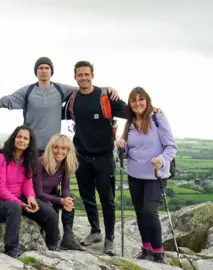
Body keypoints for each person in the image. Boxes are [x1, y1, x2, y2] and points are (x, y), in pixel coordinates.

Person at [61, 60, 130, 256]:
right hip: (81, 156)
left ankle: (109, 239)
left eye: (86, 74)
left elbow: (131, 112)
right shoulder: (73, 98)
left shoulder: (106, 97)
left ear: (92, 75)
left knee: (107, 200)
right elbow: (56, 112)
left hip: (104, 157)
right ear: (75, 77)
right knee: (88, 197)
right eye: (79, 75)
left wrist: (153, 110)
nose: (83, 77)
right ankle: (95, 231)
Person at [0, 57, 121, 154]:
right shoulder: (27, 91)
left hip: (52, 149)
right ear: (36, 71)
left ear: (51, 71)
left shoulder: (60, 89)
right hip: (30, 148)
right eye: (40, 68)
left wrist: (107, 89)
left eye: (47, 68)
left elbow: (84, 87)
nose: (44, 71)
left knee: (50, 187)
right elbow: (4, 101)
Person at [115, 87, 177, 264]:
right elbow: (128, 151)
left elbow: (171, 147)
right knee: (140, 213)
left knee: (150, 212)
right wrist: (122, 146)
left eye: (140, 99)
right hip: (134, 175)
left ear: (147, 101)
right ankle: (146, 249)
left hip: (155, 175)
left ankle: (158, 253)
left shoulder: (158, 119)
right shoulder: (130, 123)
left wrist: (161, 159)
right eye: (133, 101)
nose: (137, 103)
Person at [0, 125, 59, 258]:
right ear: (14, 138)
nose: (22, 140)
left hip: (19, 199)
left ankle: (53, 248)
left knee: (50, 213)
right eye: (19, 137)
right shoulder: (2, 158)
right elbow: (0, 189)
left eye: (26, 138)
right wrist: (20, 203)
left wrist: (31, 197)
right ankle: (11, 248)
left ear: (29, 142)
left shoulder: (28, 160)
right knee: (14, 208)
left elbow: (27, 183)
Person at [33, 134, 83, 251]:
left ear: (68, 150)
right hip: (35, 198)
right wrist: (60, 200)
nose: (59, 151)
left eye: (63, 148)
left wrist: (67, 200)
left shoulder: (65, 165)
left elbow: (65, 188)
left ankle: (68, 238)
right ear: (51, 148)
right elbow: (38, 192)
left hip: (49, 197)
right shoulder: (40, 162)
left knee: (69, 200)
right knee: (50, 206)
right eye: (56, 147)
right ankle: (52, 244)